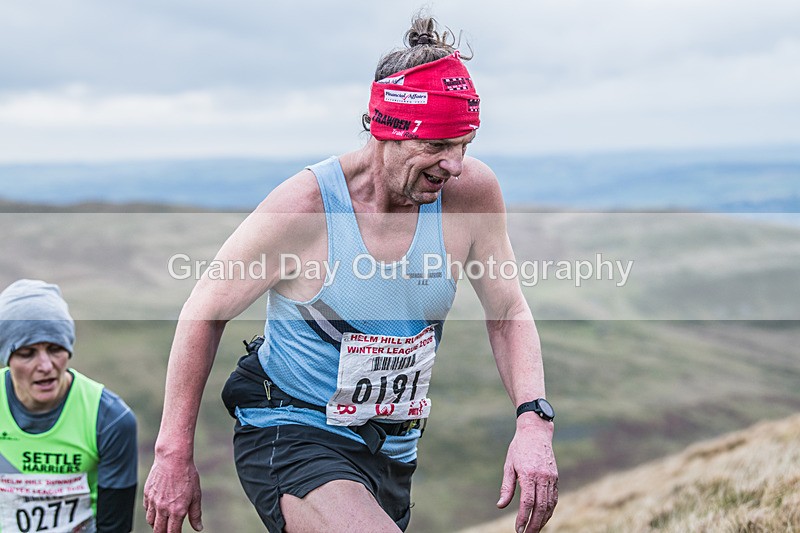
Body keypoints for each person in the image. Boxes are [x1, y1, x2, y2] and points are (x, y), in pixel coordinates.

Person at [144, 14, 558, 533]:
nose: (454, 165)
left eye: (464, 145)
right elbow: (204, 311)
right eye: (437, 145)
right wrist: (172, 453)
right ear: (388, 130)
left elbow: (507, 311)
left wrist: (533, 421)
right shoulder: (306, 209)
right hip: (292, 430)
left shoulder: (470, 195)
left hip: (392, 449)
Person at [0, 279, 138, 533]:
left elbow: (114, 527)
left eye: (55, 349)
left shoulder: (110, 419)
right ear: (6, 357)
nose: (45, 365)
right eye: (27, 353)